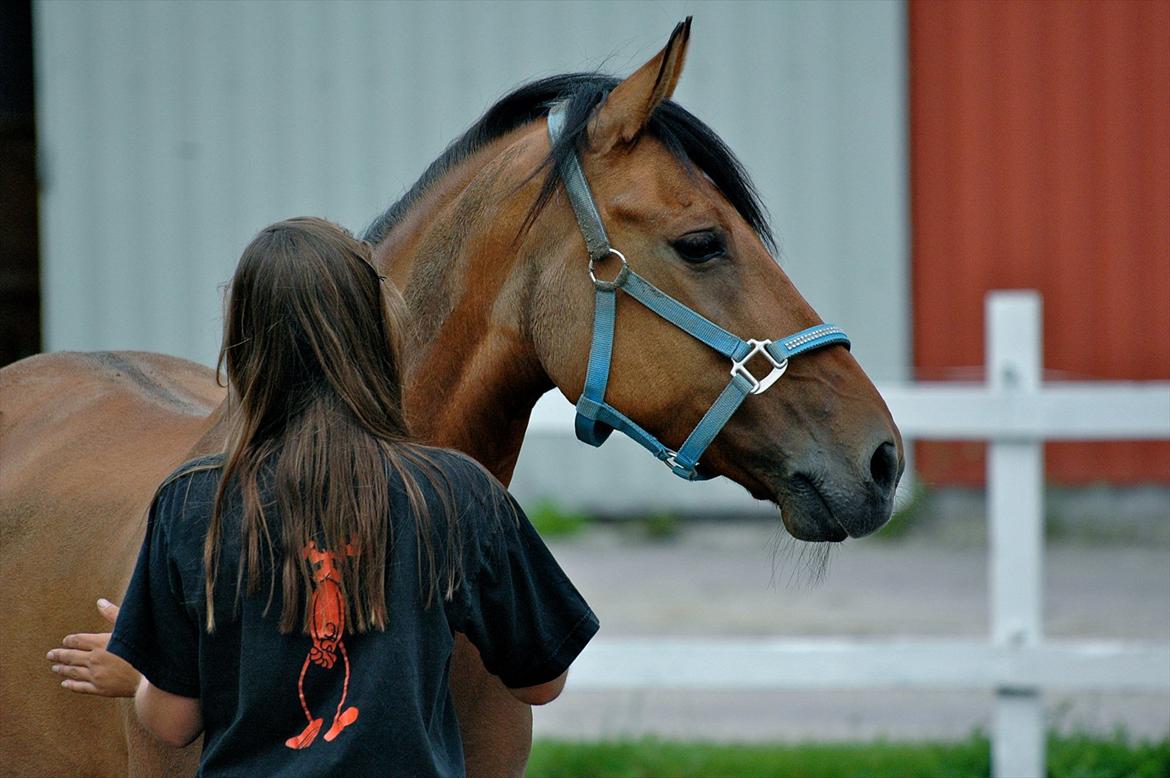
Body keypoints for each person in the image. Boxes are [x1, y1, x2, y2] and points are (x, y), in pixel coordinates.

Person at [46, 217, 597, 775]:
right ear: (378, 330)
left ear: (243, 344)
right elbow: (542, 682)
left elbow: (172, 722)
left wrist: (142, 675)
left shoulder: (191, 503)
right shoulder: (460, 494)